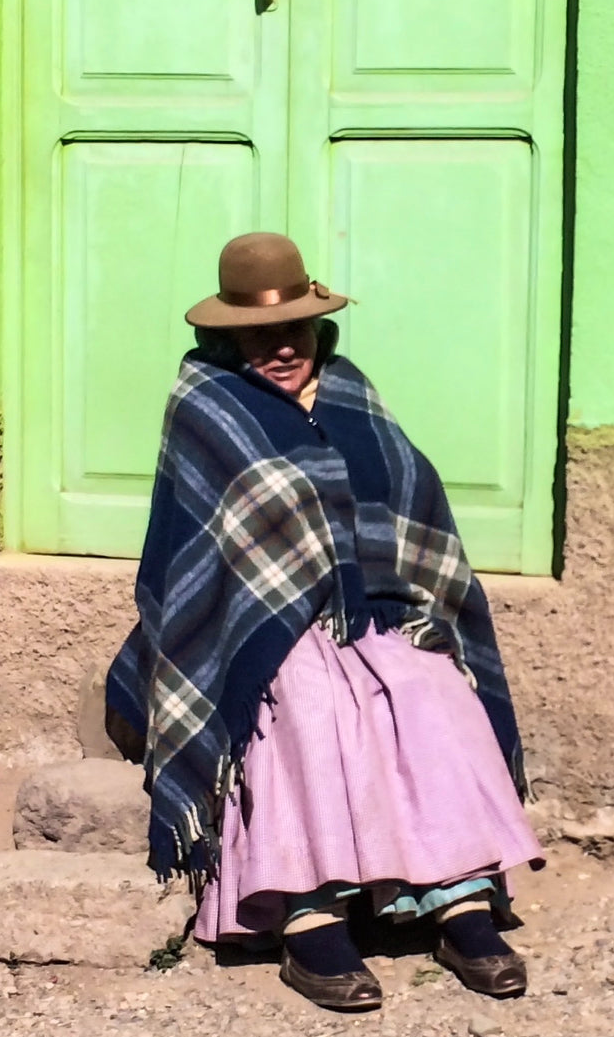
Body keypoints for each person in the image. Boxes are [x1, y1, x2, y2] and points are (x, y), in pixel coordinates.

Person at [105, 232, 544, 1013]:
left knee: (432, 695)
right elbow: (204, 539)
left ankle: (462, 906)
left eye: (295, 330)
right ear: (226, 335)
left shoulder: (349, 388)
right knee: (304, 710)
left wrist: (405, 599)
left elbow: (410, 491)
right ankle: (307, 919)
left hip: (376, 605)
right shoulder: (205, 400)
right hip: (256, 621)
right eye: (260, 335)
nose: (281, 348)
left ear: (318, 327)